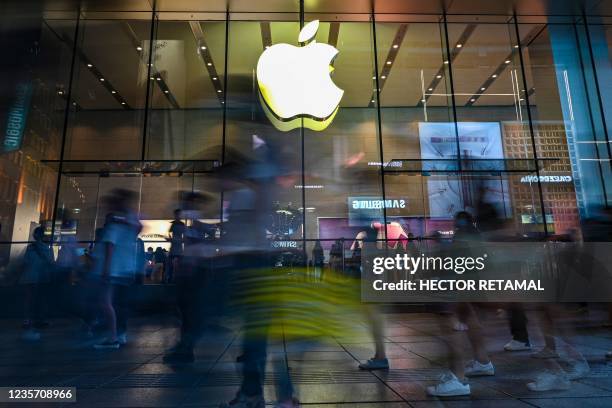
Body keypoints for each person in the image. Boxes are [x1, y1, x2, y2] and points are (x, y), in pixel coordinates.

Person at [92, 189, 142, 349]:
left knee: (106, 302)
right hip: (124, 270)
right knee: (116, 303)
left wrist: (105, 269)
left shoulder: (114, 226)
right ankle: (118, 334)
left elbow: (110, 247)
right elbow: (137, 227)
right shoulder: (128, 226)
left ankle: (113, 336)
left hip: (112, 270)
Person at [20, 226, 54, 341]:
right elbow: (51, 263)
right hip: (42, 278)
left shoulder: (30, 248)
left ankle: (27, 320)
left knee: (28, 300)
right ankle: (41, 320)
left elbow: (25, 262)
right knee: (41, 299)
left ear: (35, 236)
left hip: (29, 277)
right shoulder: (48, 249)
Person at [167, 209, 185, 283]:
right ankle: (173, 278)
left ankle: (172, 278)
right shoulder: (178, 224)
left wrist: (171, 239)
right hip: (177, 246)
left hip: (176, 246)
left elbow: (169, 233)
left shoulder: (176, 224)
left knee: (173, 263)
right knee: (174, 263)